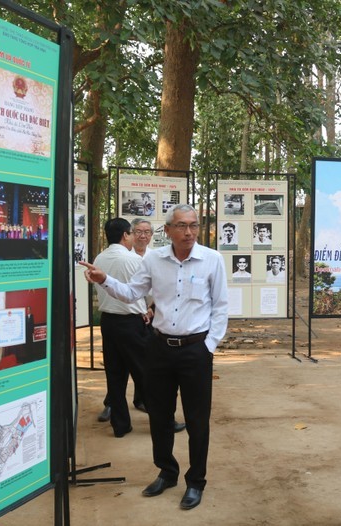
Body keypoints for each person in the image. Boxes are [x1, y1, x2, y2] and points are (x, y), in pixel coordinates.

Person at [80, 204, 228, 511]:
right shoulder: (156, 261)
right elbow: (132, 293)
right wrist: (104, 279)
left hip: (195, 351)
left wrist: (209, 345)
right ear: (169, 230)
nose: (188, 232)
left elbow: (221, 306)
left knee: (197, 420)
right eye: (182, 226)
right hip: (159, 349)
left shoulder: (212, 260)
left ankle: (196, 481)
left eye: (193, 226)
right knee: (160, 416)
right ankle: (167, 472)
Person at [91, 218, 149, 438]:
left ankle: (120, 425)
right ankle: (163, 421)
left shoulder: (99, 258)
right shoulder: (134, 260)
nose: (137, 237)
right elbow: (147, 292)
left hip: (108, 322)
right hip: (132, 323)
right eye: (134, 233)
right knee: (145, 374)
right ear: (126, 235)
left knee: (114, 376)